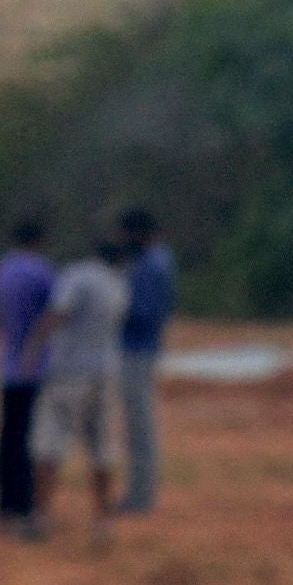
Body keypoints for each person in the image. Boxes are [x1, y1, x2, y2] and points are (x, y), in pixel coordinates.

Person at [33, 226, 133, 539]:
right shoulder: (120, 284)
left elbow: (59, 313)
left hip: (69, 371)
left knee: (51, 442)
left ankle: (42, 516)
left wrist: (34, 346)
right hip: (105, 372)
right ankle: (102, 520)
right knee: (103, 446)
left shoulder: (77, 275)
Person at [0, 214, 57, 539]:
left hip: (8, 365)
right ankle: (25, 507)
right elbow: (55, 311)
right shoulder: (41, 272)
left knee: (7, 440)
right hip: (37, 367)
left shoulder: (2, 269)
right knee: (31, 441)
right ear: (39, 241)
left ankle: (4, 506)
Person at [115, 208, 177, 515]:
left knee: (140, 424)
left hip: (138, 349)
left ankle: (142, 495)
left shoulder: (152, 265)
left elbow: (142, 312)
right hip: (139, 349)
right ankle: (140, 491)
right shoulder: (153, 261)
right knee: (138, 423)